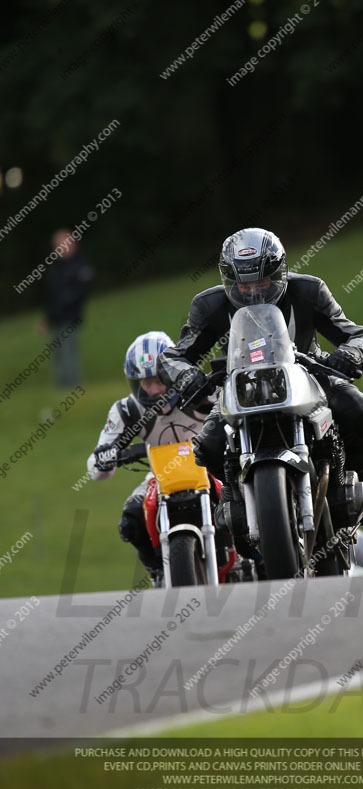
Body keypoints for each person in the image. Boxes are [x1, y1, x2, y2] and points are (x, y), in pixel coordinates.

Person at [157, 227, 363, 530]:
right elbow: (173, 356)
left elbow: (359, 335)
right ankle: (233, 495)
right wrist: (187, 376)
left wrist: (350, 355)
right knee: (208, 445)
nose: (253, 291)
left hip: (311, 374)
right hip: (239, 386)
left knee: (362, 412)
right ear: (229, 279)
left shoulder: (309, 291)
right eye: (243, 285)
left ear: (280, 272)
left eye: (262, 281)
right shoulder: (209, 305)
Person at [86, 331, 212, 586]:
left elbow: (234, 416)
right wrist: (105, 458)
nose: (153, 390)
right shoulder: (127, 410)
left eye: (159, 380)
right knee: (131, 516)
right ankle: (158, 570)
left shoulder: (202, 393)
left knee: (242, 500)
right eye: (145, 383)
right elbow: (96, 468)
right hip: (160, 476)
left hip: (211, 467)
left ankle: (261, 554)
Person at [41, 229, 94, 387]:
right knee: (59, 353)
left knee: (68, 352)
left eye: (62, 244)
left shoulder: (80, 266)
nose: (59, 248)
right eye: (57, 245)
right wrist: (49, 317)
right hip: (57, 318)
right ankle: (62, 385)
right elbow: (52, 295)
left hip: (70, 317)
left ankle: (73, 385)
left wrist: (60, 308)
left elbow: (79, 292)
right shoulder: (59, 268)